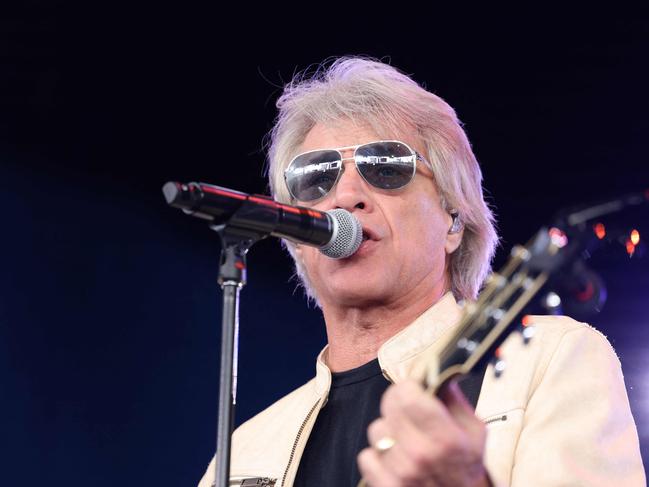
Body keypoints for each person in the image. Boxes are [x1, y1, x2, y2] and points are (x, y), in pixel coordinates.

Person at [198, 57, 645, 486]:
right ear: (296, 235)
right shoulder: (244, 451)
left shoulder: (549, 361)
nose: (345, 195)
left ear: (453, 219)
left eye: (386, 167)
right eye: (316, 177)